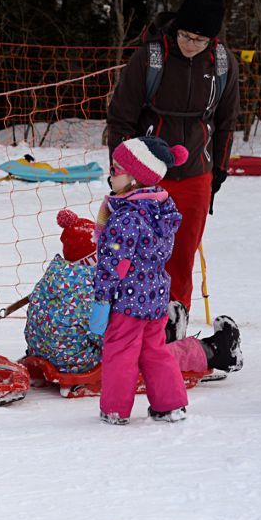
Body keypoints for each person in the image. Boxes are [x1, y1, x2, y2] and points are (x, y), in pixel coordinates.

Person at [107, 0, 240, 337]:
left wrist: (220, 169)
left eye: (199, 39)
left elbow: (227, 121)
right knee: (138, 252)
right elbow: (120, 118)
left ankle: (173, 325)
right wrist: (120, 171)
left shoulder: (223, 63)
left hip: (197, 173)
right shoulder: (150, 57)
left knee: (181, 256)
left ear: (212, 39)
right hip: (148, 174)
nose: (190, 44)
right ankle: (132, 325)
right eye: (185, 35)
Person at [25, 208, 242, 377]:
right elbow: (113, 339)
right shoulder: (92, 291)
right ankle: (216, 351)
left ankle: (165, 334)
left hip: (47, 353)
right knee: (151, 356)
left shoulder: (56, 278)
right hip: (81, 361)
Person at [90, 137, 191, 425]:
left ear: (134, 178)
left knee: (120, 352)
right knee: (155, 350)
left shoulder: (126, 218)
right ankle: (170, 405)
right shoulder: (160, 209)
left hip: (128, 300)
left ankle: (115, 409)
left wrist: (102, 297)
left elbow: (114, 263)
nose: (110, 175)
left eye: (115, 169)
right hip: (155, 296)